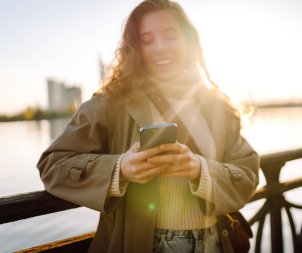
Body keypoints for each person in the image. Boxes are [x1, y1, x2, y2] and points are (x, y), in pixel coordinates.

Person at [37, 0, 259, 252]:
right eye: (147, 39)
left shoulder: (215, 105)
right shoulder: (110, 103)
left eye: (170, 35)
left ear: (188, 40)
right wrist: (120, 170)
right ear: (135, 48)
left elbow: (248, 171)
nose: (160, 47)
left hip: (217, 243)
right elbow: (52, 164)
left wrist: (200, 169)